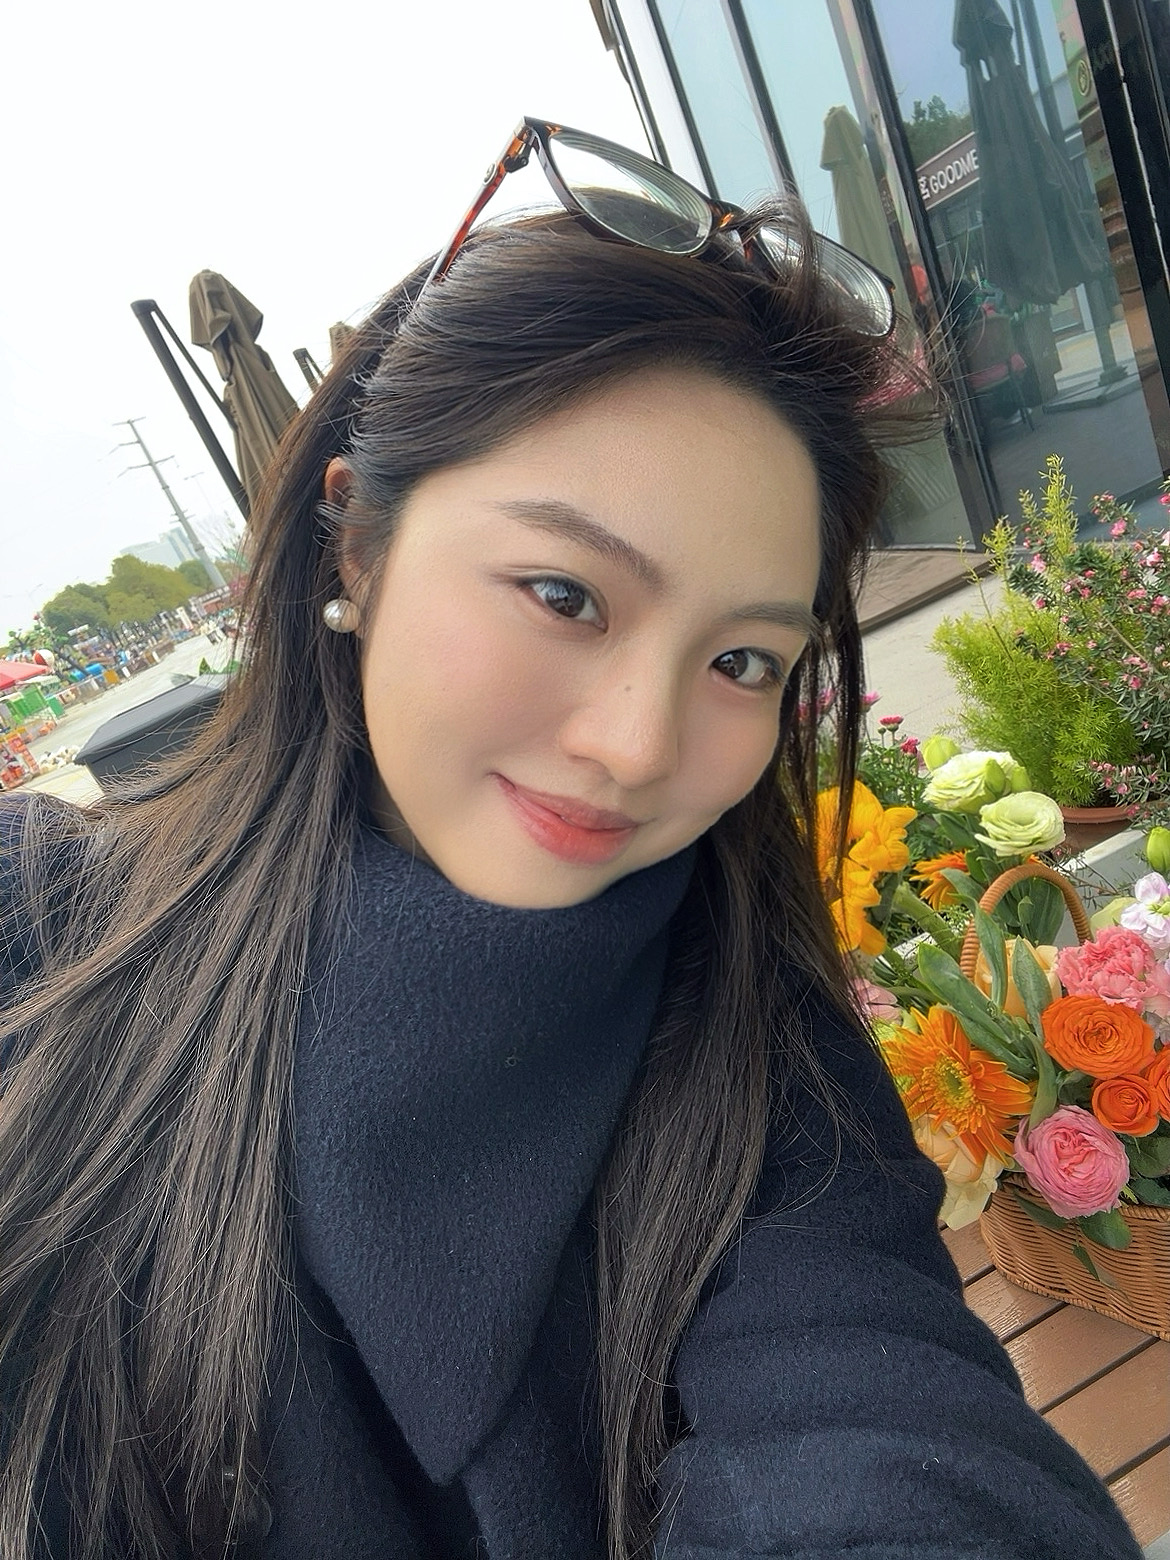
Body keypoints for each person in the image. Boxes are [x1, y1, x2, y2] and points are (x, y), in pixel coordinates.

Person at [0, 120, 1143, 1560]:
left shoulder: (751, 1053)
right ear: (356, 544)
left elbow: (880, 1416)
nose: (638, 745)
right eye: (563, 593)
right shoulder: (43, 937)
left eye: (741, 661)